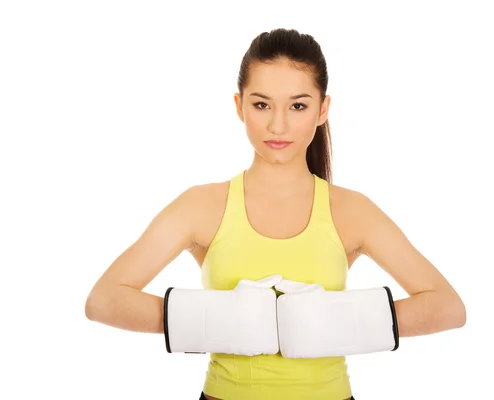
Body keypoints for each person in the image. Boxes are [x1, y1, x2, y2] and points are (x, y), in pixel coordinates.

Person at [85, 28, 467, 400]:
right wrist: (211, 320)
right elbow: (103, 300)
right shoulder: (202, 206)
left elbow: (447, 307)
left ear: (322, 109)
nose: (278, 124)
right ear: (239, 106)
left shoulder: (352, 211)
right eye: (261, 104)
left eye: (298, 105)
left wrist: (341, 321)